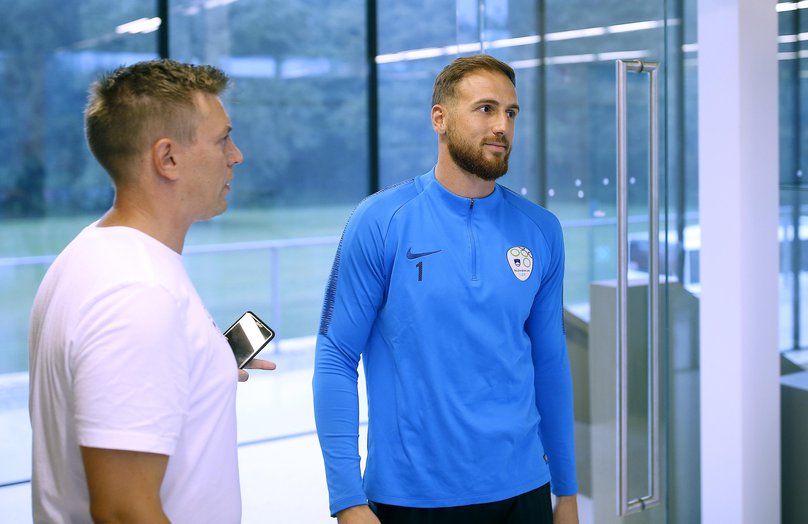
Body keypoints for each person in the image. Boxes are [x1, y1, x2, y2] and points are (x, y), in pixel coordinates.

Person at [313, 54, 579, 524]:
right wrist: (347, 500)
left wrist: (568, 490)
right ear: (440, 118)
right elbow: (335, 356)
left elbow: (550, 360)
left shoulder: (541, 229)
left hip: (523, 491)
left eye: (511, 113)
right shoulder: (380, 220)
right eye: (485, 109)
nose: (501, 125)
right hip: (411, 498)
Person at [28, 59, 275, 523]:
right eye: (223, 139)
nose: (236, 155)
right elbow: (125, 512)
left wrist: (204, 368)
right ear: (167, 158)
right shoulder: (138, 294)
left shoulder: (90, 255)